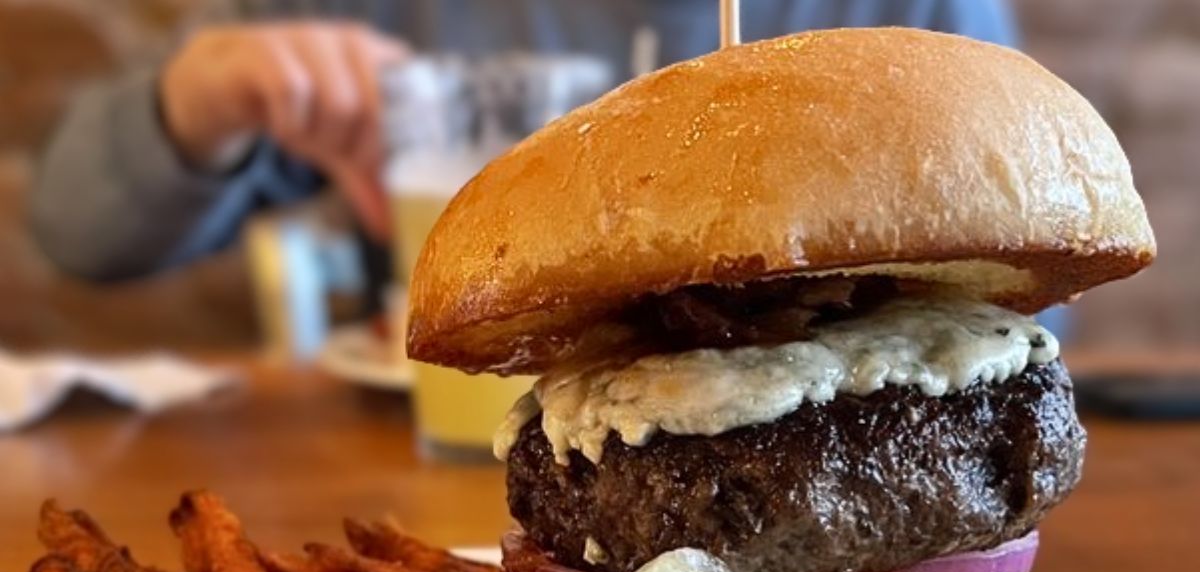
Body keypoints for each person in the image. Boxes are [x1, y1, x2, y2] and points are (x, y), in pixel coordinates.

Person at [29, 1, 1017, 282]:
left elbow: (1012, 302)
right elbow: (74, 228)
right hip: (443, 477)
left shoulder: (918, 22)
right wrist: (199, 96)